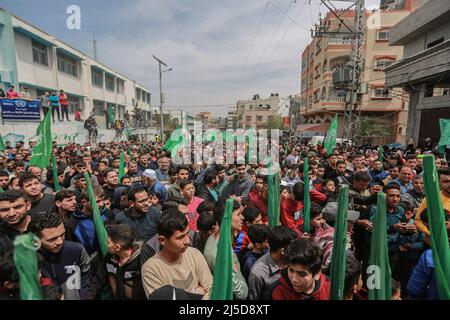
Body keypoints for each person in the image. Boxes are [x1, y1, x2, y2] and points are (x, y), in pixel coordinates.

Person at [141, 208, 213, 299]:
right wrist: (199, 294)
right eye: (180, 237)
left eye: (187, 234)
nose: (187, 241)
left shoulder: (194, 254)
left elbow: (212, 290)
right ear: (162, 240)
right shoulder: (151, 269)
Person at [28, 212, 91, 300]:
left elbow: (86, 277)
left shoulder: (77, 250)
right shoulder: (27, 260)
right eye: (52, 239)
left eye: (62, 235)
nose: (60, 242)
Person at [86, 224, 147, 300]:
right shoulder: (110, 258)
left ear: (117, 247)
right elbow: (98, 280)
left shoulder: (141, 259)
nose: (106, 245)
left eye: (108, 242)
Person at [203, 199, 248, 300]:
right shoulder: (218, 252)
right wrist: (236, 271)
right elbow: (242, 293)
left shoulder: (217, 239)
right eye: (238, 214)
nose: (243, 217)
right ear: (226, 218)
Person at [248, 225, 297, 300]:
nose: (296, 249)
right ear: (283, 251)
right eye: (293, 247)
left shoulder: (294, 260)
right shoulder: (258, 273)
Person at [415, 168, 450, 248]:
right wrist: (432, 234)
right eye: (446, 181)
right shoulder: (431, 199)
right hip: (433, 245)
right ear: (438, 182)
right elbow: (418, 221)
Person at [0, 190, 32, 256]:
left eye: (17, 207)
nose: (12, 214)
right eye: (4, 210)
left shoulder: (44, 226)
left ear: (28, 205)